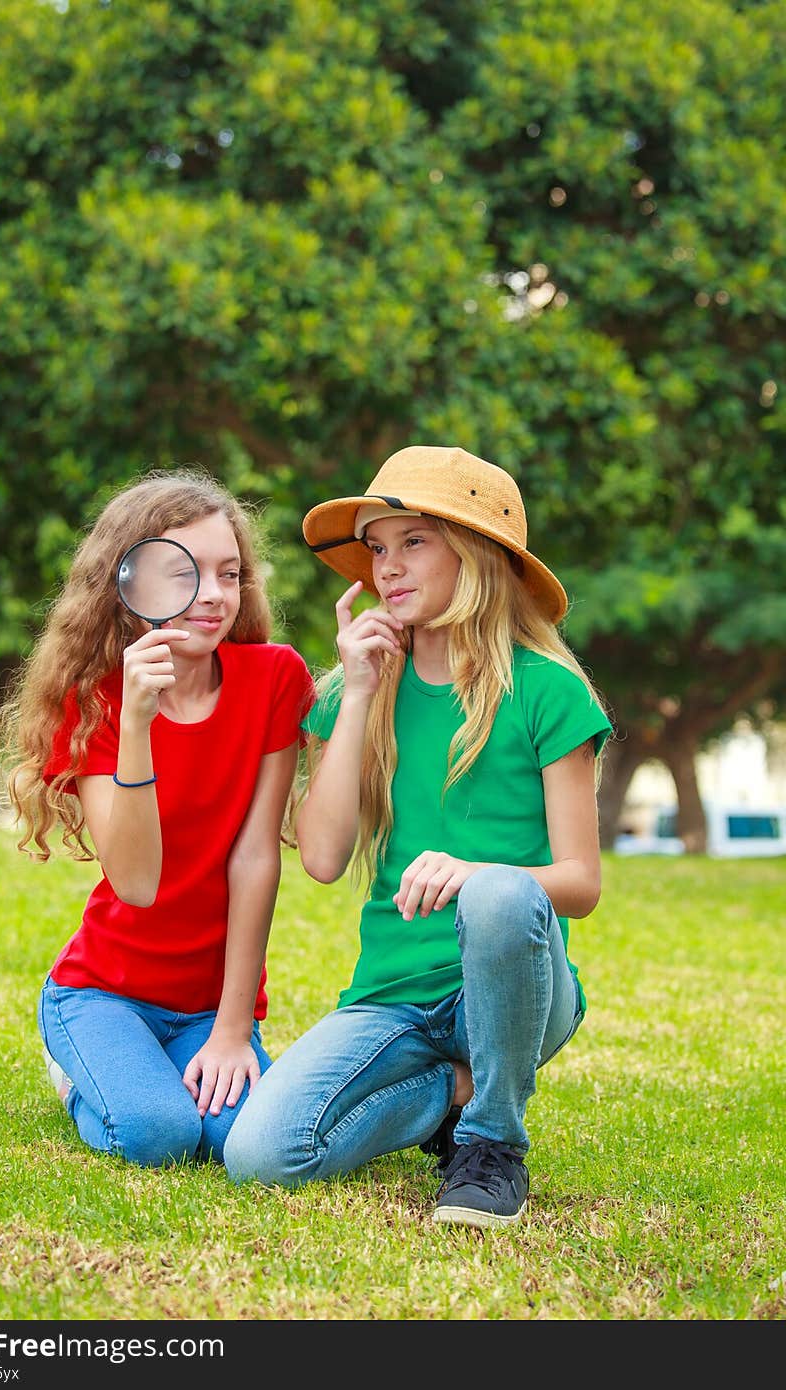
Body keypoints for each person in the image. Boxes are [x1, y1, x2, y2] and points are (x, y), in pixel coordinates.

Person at [224, 444, 612, 1228]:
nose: (385, 569)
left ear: (477, 555)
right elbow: (325, 858)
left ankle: (492, 1144)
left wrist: (474, 873)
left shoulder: (547, 690)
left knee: (503, 891)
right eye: (375, 548)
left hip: (513, 990)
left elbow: (581, 881)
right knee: (259, 1154)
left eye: (413, 542)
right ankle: (452, 1094)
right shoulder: (352, 691)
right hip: (394, 997)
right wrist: (361, 691)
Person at [0, 468, 314, 1168]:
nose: (215, 596)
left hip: (208, 1005)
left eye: (230, 574)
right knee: (161, 1136)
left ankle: (170, 1056)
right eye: (184, 574)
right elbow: (136, 882)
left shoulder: (276, 679)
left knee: (236, 1141)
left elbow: (256, 857)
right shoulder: (95, 702)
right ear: (128, 586)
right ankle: (78, 1062)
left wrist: (232, 1028)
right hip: (104, 991)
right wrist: (136, 725)